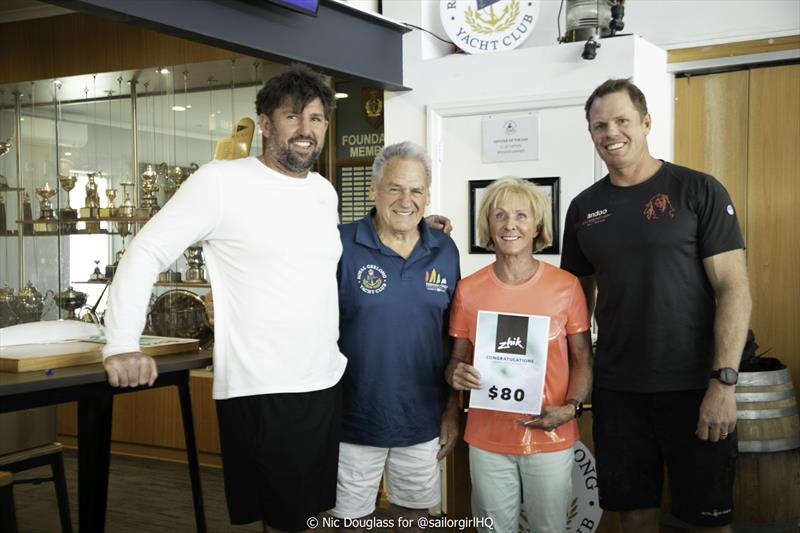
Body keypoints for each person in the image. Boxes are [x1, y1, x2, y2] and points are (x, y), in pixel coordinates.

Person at [102, 64, 346, 532]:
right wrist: (121, 343)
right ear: (266, 122)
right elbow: (146, 250)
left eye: (316, 118)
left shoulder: (322, 192)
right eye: (293, 116)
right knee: (286, 521)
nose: (305, 130)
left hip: (323, 380)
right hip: (262, 385)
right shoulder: (220, 181)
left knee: (312, 516)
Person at [560, 78, 752, 533]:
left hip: (695, 386)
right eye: (599, 125)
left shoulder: (698, 190)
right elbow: (573, 307)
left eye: (622, 120)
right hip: (619, 389)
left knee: (708, 520)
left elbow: (733, 288)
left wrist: (723, 383)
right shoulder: (584, 208)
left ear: (646, 123)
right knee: (634, 514)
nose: (611, 132)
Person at [446, 177, 593, 533]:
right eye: (500, 216)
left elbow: (583, 361)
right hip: (487, 439)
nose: (510, 225)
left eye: (521, 216)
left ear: (537, 226)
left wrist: (570, 408)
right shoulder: (468, 290)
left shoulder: (566, 287)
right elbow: (455, 361)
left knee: (550, 529)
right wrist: (455, 374)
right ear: (489, 226)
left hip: (551, 436)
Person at [330, 141, 461, 530]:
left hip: (421, 420)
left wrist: (451, 410)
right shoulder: (339, 244)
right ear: (374, 190)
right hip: (351, 420)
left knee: (414, 520)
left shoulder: (445, 249)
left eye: (416, 190)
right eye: (395, 188)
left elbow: (453, 337)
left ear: (427, 196)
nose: (407, 200)